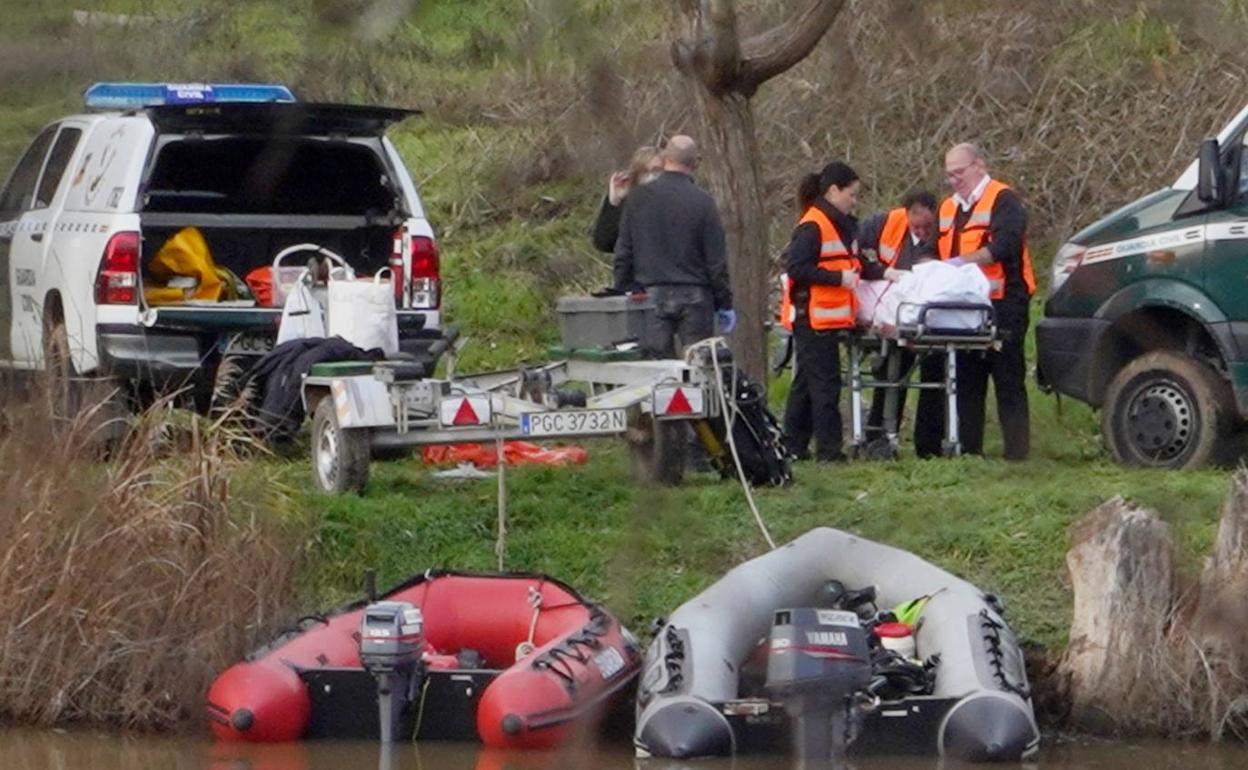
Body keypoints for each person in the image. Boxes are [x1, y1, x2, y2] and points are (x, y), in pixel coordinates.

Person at [936, 142, 1036, 461]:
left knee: (1008, 378)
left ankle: (1017, 455)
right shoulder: (949, 208)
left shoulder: (1003, 199)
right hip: (964, 306)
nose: (954, 180)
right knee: (967, 379)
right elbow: (935, 246)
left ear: (979, 166)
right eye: (949, 175)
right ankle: (969, 451)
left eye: (959, 172)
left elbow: (1005, 244)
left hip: (1005, 301)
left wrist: (962, 262)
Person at [781, 161, 887, 462]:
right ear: (833, 191)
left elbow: (854, 264)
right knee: (825, 385)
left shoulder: (843, 226)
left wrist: (884, 273)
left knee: (806, 384)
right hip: (813, 316)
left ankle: (793, 444)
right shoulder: (813, 225)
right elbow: (797, 268)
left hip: (830, 317)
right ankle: (829, 451)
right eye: (851, 195)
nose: (854, 201)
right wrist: (838, 279)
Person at [613, 135, 734, 358]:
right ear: (695, 163)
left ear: (665, 158)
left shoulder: (638, 198)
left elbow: (624, 252)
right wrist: (724, 302)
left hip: (650, 296)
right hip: (696, 296)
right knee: (700, 371)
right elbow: (716, 261)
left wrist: (623, 289)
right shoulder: (703, 202)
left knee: (658, 373)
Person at [858, 191, 939, 449]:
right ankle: (877, 430)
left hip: (914, 313)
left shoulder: (937, 238)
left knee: (904, 368)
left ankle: (899, 434)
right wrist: (884, 272)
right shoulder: (881, 225)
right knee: (888, 368)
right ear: (908, 214)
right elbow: (858, 256)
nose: (923, 232)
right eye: (918, 226)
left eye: (928, 226)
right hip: (881, 305)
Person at [592, 145, 662, 254]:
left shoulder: (679, 202)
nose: (651, 176)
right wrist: (615, 202)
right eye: (644, 172)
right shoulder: (631, 205)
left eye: (657, 170)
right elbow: (605, 243)